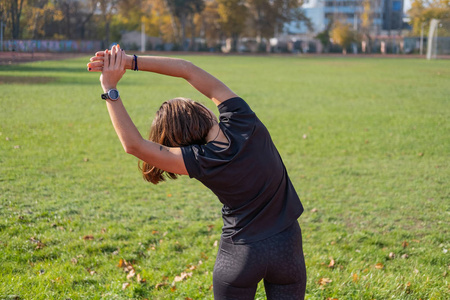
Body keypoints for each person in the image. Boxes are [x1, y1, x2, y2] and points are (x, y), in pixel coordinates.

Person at [87, 45, 306, 300]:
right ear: (202, 110)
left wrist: (110, 89)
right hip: (287, 247)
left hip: (240, 255)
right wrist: (131, 61)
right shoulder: (243, 118)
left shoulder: (199, 160)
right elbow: (187, 70)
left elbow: (134, 145)